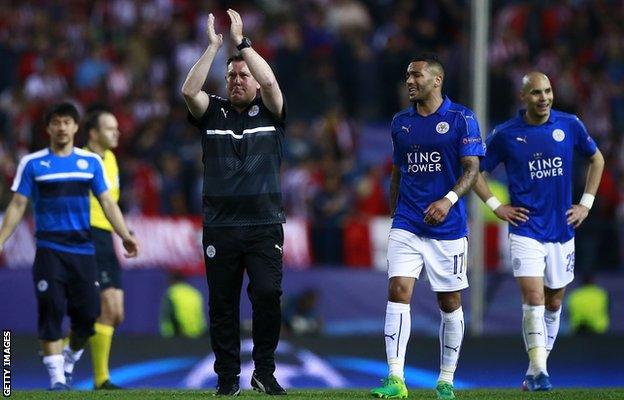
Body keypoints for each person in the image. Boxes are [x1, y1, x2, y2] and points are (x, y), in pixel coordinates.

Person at [473, 72, 604, 391]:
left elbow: (596, 159)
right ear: (523, 97)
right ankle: (540, 371)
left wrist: (585, 204)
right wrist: (496, 206)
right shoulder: (506, 134)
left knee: (555, 301)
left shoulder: (569, 124)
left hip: (562, 229)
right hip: (525, 229)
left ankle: (534, 372)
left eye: (547, 91)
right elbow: (474, 171)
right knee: (533, 297)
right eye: (535, 93)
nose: (543, 98)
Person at [181, 9, 287, 396]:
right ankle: (228, 377)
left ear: (254, 84)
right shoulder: (212, 112)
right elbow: (189, 92)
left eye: (244, 76)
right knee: (222, 305)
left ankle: (264, 371)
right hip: (221, 226)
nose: (237, 81)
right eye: (232, 77)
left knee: (266, 294)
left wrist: (242, 43)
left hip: (264, 225)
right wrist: (213, 47)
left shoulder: (272, 113)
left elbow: (271, 80)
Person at [0, 102, 139, 391]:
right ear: (49, 128)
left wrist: (124, 234)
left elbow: (108, 202)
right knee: (50, 308)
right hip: (50, 248)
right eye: (56, 122)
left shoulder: (95, 163)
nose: (62, 127)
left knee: (89, 315)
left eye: (67, 122)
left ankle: (69, 355)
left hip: (84, 249)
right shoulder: (33, 163)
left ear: (75, 128)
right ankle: (58, 380)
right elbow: (17, 205)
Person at [371, 54, 484, 400]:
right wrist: (395, 215)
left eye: (416, 75)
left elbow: (471, 170)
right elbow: (397, 171)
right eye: (407, 75)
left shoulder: (462, 118)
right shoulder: (400, 122)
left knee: (449, 302)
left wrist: (448, 200)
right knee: (398, 291)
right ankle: (395, 379)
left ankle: (446, 380)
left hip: (448, 228)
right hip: (407, 222)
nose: (409, 81)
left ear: (437, 80)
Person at [83, 108, 125, 390]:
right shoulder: (80, 161)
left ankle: (61, 347)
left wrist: (124, 233)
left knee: (116, 313)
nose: (117, 132)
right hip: (86, 236)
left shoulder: (110, 159)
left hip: (107, 238)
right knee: (106, 308)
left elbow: (111, 203)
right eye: (110, 128)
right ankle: (101, 379)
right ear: (93, 133)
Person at [159, 272, 208, 339]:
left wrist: (168, 334)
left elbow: (168, 314)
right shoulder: (194, 292)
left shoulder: (171, 293)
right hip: (198, 333)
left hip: (179, 335)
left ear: (172, 280)